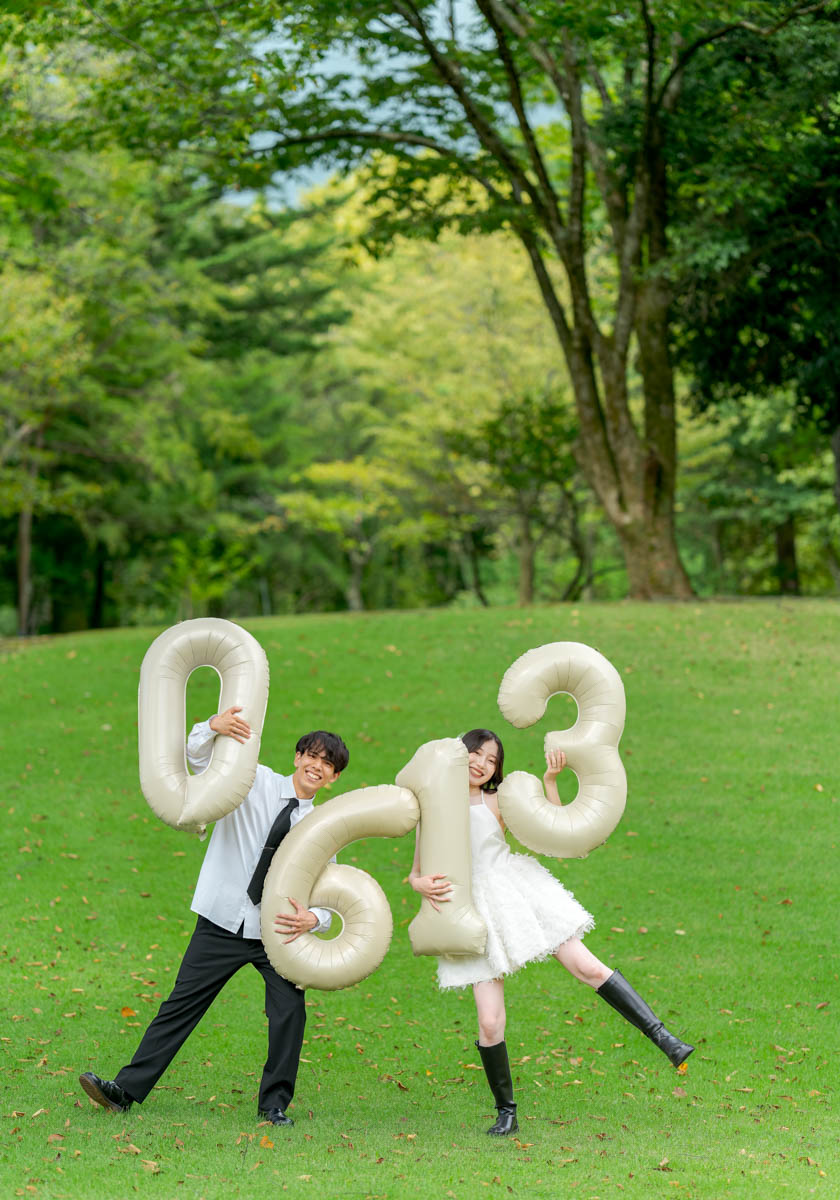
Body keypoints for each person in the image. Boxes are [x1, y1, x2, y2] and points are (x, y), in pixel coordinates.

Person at [408, 729, 694, 1137]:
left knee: (586, 966)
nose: (480, 764)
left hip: (515, 892)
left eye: (490, 760)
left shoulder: (499, 799)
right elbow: (416, 872)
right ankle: (506, 1111)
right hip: (470, 911)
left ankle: (666, 1039)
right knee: (489, 1022)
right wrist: (420, 885)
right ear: (459, 754)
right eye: (475, 754)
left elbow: (554, 829)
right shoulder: (435, 804)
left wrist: (549, 784)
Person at [79, 707, 349, 1127]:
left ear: (333, 778)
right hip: (222, 920)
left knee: (289, 1014)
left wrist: (314, 919)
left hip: (277, 934)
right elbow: (200, 762)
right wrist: (210, 728)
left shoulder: (324, 827)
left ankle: (273, 1106)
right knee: (180, 1005)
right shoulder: (252, 781)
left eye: (328, 764)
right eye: (312, 756)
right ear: (297, 757)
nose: (317, 766)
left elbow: (332, 897)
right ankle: (124, 1091)